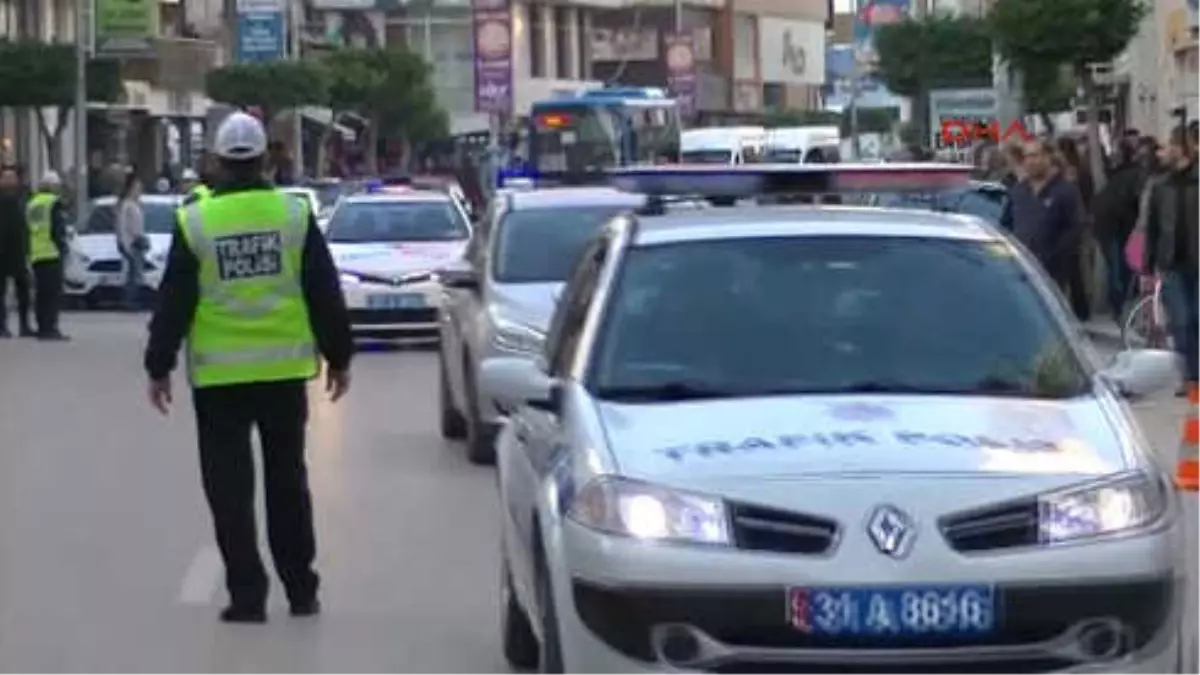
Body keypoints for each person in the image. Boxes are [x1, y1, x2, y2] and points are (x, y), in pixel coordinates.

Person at [144, 111, 353, 624]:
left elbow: (174, 302)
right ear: (265, 160)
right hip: (283, 376)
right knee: (288, 484)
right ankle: (301, 591)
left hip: (220, 383)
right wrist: (340, 356)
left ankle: (247, 596)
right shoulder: (293, 215)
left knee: (230, 493)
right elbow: (325, 291)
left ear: (217, 161)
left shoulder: (196, 221)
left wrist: (158, 366)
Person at [1004, 138, 1088, 316]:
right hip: (1022, 267)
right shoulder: (1019, 191)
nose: (1030, 161)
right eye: (1026, 157)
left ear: (1048, 157)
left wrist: (1056, 255)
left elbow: (1076, 227)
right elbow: (1006, 224)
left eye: (1035, 156)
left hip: (1053, 271)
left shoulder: (1065, 190)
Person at [1145, 125, 1200, 387]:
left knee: (1197, 318)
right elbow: (1153, 226)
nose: (1162, 152)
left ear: (1182, 148)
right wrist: (1147, 263)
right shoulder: (1161, 186)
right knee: (1181, 321)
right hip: (1171, 262)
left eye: (1169, 146)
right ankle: (1190, 375)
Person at [1093, 137, 1143, 320]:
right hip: (1116, 224)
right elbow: (1135, 200)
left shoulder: (1113, 173)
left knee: (1117, 266)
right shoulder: (1136, 174)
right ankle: (1118, 307)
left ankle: (1118, 305)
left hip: (1110, 223)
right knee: (1118, 267)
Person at [26, 171, 69, 340]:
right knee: (52, 294)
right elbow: (57, 229)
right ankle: (51, 328)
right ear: (53, 186)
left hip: (36, 253)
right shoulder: (53, 203)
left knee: (41, 294)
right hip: (51, 252)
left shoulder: (32, 203)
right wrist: (62, 247)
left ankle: (42, 326)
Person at [0, 164, 32, 337]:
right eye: (6, 177)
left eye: (12, 177)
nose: (9, 180)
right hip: (2, 252)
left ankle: (24, 325)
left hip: (18, 250)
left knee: (23, 289)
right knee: (1, 292)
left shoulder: (23, 198)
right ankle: (1, 326)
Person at [115, 171, 147, 311]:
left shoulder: (136, 204)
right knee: (133, 274)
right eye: (137, 187)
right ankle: (129, 301)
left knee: (135, 273)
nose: (139, 190)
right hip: (131, 243)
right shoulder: (126, 204)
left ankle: (133, 299)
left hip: (137, 241)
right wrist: (124, 243)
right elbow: (122, 225)